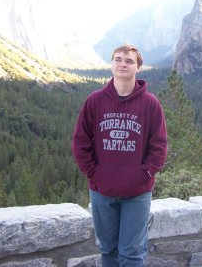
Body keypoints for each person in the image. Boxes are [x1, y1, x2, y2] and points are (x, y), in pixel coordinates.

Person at [71, 44, 168, 267]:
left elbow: (159, 145)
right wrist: (94, 173)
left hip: (137, 192)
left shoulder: (150, 104)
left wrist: (144, 173)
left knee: (132, 253)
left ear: (139, 67)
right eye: (118, 59)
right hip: (101, 191)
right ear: (112, 64)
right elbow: (80, 142)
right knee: (108, 251)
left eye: (129, 60)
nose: (123, 64)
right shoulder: (95, 101)